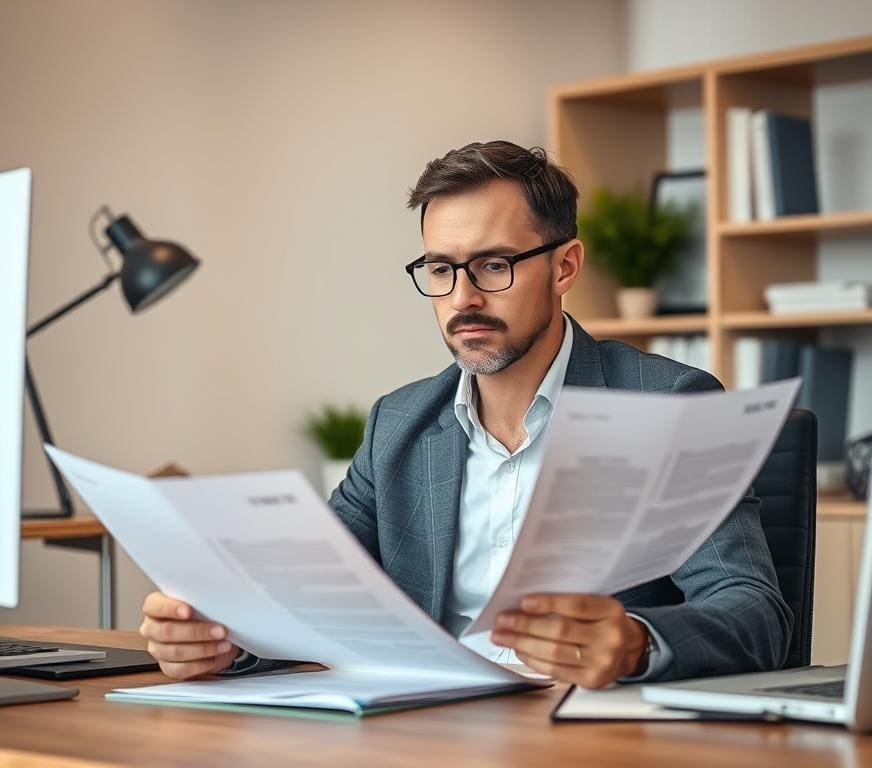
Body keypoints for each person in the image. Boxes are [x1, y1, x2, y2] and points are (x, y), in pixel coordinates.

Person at [139, 141, 792, 689]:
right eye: (440, 269)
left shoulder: (664, 405)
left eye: (494, 265)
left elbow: (756, 615)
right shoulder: (398, 424)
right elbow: (314, 602)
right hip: (426, 734)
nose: (463, 298)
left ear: (564, 266)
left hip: (588, 738)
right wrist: (224, 640)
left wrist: (635, 644)